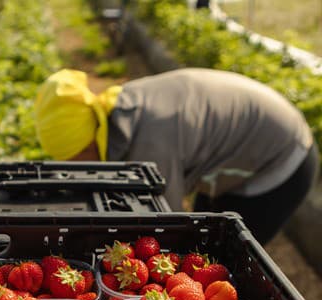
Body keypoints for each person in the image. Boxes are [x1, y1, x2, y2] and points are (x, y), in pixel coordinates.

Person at [33, 68, 319, 244]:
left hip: (282, 159)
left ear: (90, 141)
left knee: (226, 255)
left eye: (77, 158)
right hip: (240, 139)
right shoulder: (118, 107)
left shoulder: (152, 144)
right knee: (207, 236)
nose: (75, 168)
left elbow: (165, 225)